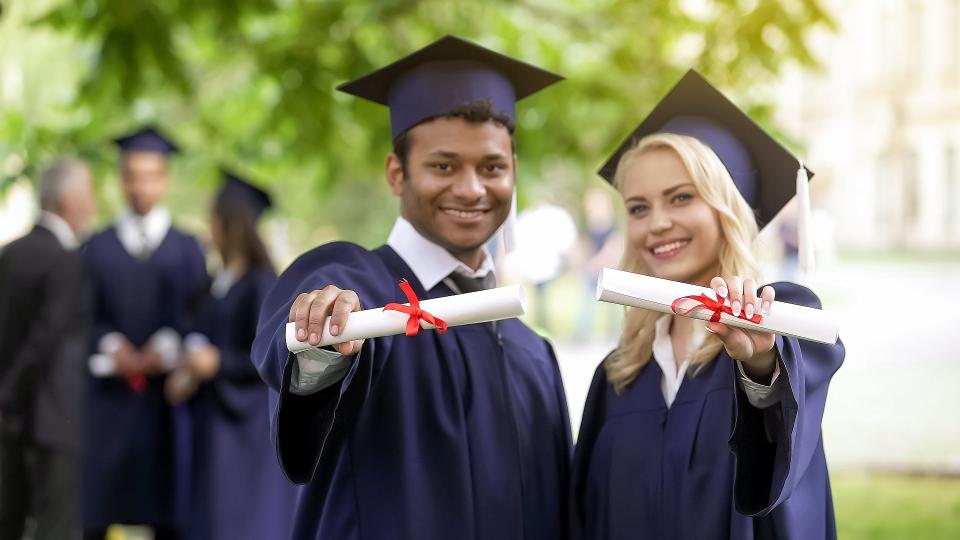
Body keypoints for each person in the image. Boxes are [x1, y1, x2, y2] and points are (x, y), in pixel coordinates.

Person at [252, 35, 572, 540]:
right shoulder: (363, 294)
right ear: (397, 173)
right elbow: (306, 351)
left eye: (493, 167)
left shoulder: (534, 356)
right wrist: (323, 343)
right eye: (443, 166)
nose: (471, 189)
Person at [570, 70, 845, 539]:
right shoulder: (619, 375)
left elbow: (782, 422)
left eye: (681, 198)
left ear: (728, 207)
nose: (657, 223)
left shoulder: (778, 324)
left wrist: (758, 366)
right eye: (638, 208)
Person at [81, 127, 207, 540]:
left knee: (168, 514)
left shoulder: (189, 248)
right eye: (133, 175)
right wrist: (111, 344)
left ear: (165, 179)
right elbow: (83, 315)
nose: (141, 186)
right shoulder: (95, 247)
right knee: (95, 512)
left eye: (151, 175)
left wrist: (168, 343)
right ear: (121, 179)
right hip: (107, 404)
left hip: (165, 404)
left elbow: (200, 315)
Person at [165, 170, 297, 540]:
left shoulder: (262, 284)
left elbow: (271, 354)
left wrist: (218, 363)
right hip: (211, 423)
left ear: (231, 223)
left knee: (237, 522)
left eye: (214, 218)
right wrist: (189, 370)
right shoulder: (214, 284)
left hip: (245, 430)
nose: (210, 228)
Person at [0, 158, 96, 540]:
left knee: (8, 522)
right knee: (54, 529)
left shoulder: (9, 253)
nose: (92, 205)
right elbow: (44, 340)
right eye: (88, 195)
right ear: (70, 202)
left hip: (10, 423)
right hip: (54, 421)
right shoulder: (67, 261)